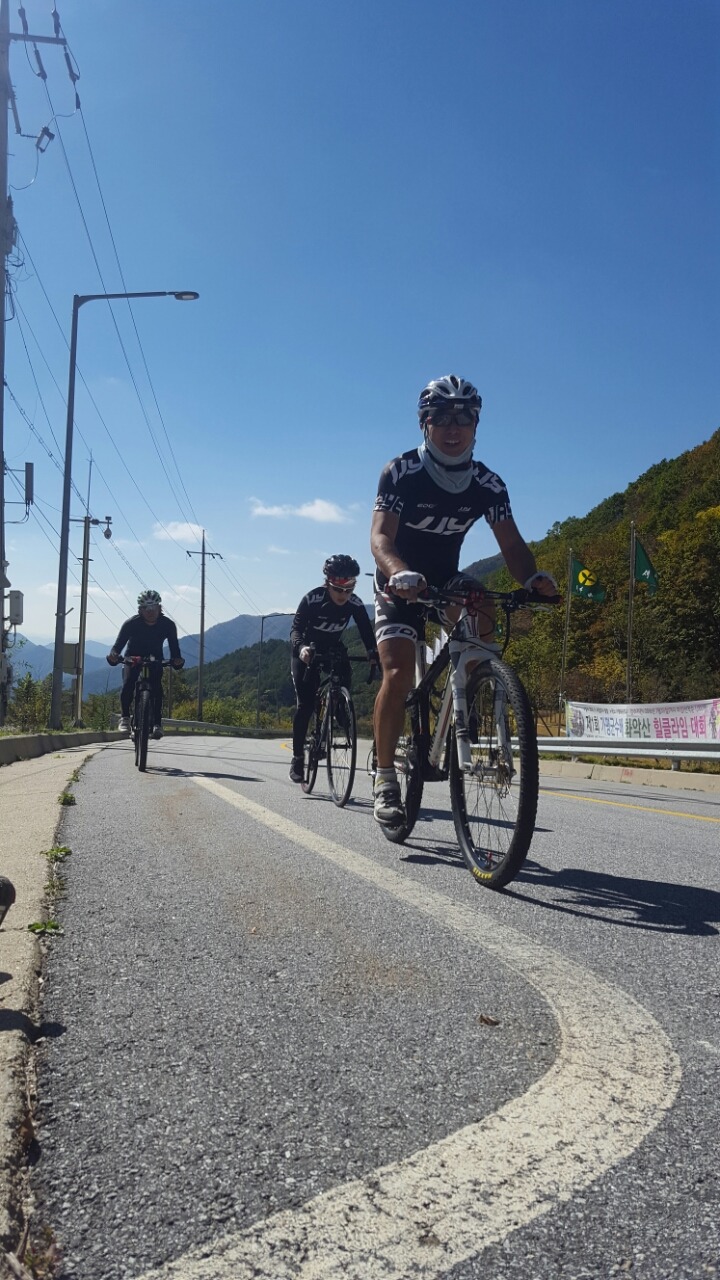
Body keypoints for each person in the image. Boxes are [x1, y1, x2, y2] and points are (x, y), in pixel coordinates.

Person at [370, 373, 558, 825]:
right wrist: (397, 572)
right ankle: (385, 778)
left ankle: (469, 697)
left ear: (476, 425)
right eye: (442, 418)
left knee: (482, 604)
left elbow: (511, 545)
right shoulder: (401, 472)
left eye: (464, 419)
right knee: (398, 674)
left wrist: (532, 577)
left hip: (444, 579)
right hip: (397, 579)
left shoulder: (488, 483)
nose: (453, 429)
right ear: (425, 423)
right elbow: (380, 537)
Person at [288, 555, 379, 783]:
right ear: (328, 582)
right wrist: (301, 648)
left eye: (349, 589)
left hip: (332, 649)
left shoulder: (355, 603)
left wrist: (372, 652)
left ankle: (338, 705)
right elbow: (295, 630)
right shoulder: (312, 599)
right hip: (307, 651)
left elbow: (366, 631)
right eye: (338, 589)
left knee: (344, 671)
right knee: (305, 705)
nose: (343, 595)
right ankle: (298, 758)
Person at [107, 590, 185, 738]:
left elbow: (175, 650)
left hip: (155, 659)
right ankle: (125, 717)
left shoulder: (167, 625)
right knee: (128, 683)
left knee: (157, 688)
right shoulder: (131, 624)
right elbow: (117, 647)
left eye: (153, 607)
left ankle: (157, 723)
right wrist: (114, 656)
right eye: (146, 608)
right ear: (140, 610)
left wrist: (177, 660)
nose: (150, 611)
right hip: (133, 657)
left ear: (159, 608)